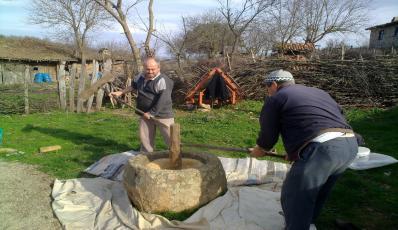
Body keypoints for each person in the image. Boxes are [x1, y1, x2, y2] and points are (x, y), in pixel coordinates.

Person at [250, 69, 358, 230]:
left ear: (273, 84)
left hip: (324, 150)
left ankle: (297, 225)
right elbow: (328, 118)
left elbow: (268, 135)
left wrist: (260, 149)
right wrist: (299, 153)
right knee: (317, 190)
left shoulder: (276, 98)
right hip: (349, 145)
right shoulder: (319, 92)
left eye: (267, 87)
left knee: (295, 195)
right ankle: (307, 221)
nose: (268, 91)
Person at [110, 57, 174, 152]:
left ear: (158, 68)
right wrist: (120, 92)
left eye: (153, 69)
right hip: (144, 113)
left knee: (171, 139)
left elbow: (163, 100)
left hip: (163, 115)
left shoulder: (163, 80)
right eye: (147, 69)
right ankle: (146, 157)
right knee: (146, 140)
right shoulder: (140, 76)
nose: (150, 71)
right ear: (143, 68)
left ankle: (177, 157)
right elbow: (133, 86)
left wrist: (151, 113)